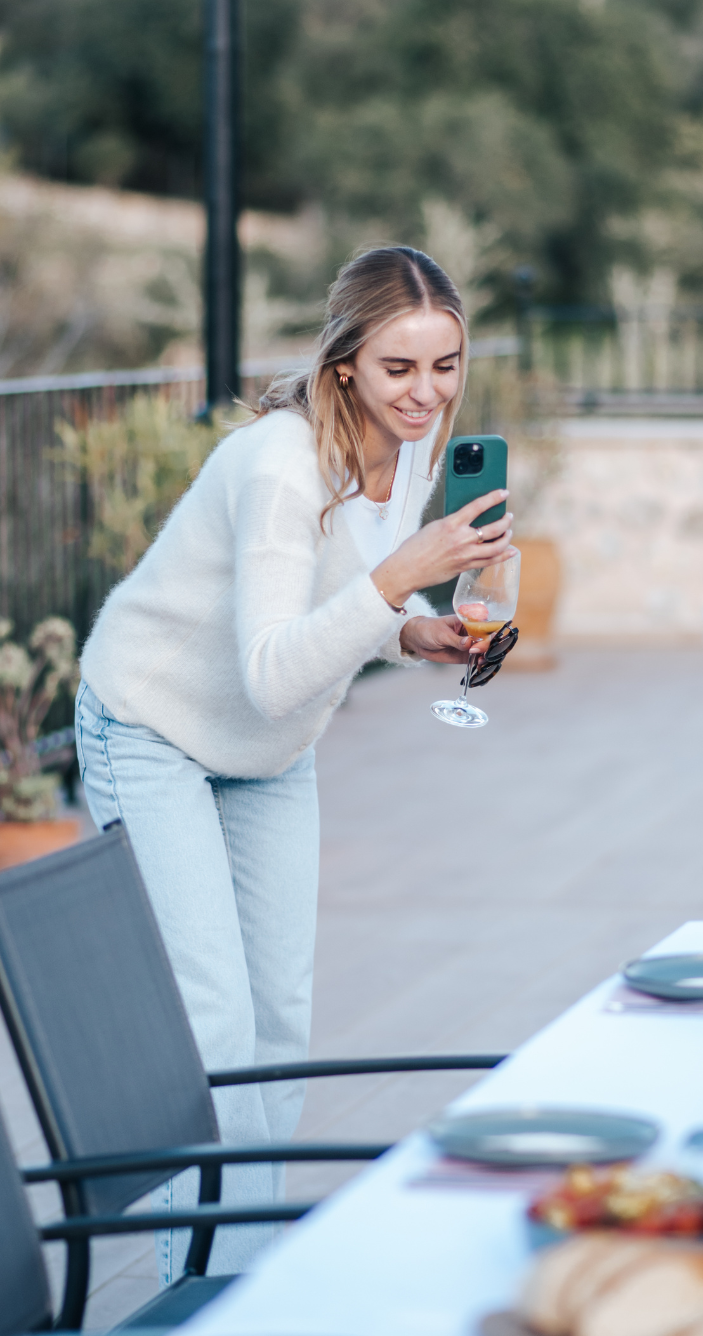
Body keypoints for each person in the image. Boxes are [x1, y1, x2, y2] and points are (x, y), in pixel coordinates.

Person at [74, 245, 515, 1280]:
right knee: (215, 1024)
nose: (426, 392)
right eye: (399, 367)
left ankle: (245, 1273)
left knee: (280, 1026)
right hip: (153, 725)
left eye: (445, 365)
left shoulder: (412, 450)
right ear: (344, 361)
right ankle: (209, 1284)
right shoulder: (279, 465)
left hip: (267, 748)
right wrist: (401, 579)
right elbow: (273, 669)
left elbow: (336, 592)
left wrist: (410, 627)